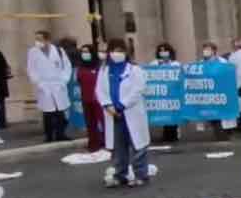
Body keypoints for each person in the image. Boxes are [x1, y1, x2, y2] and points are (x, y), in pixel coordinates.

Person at [97, 39, 150, 188]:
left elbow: (138, 90)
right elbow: (100, 90)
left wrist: (121, 105)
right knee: (118, 146)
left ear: (126, 53)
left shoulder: (134, 70)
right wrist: (108, 105)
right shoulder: (104, 70)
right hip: (113, 114)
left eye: (120, 51)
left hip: (130, 112)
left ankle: (141, 175)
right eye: (114, 50)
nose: (116, 54)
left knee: (138, 145)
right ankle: (120, 175)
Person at [27, 30, 72, 142]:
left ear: (47, 40)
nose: (37, 41)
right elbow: (31, 69)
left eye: (40, 39)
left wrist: (64, 81)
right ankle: (49, 136)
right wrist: (38, 83)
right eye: (36, 39)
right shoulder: (33, 52)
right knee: (47, 113)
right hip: (44, 85)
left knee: (60, 111)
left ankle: (61, 134)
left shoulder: (58, 51)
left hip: (58, 84)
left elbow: (67, 66)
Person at [76, 43, 105, 151]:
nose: (85, 54)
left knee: (103, 122)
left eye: (87, 52)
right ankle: (93, 144)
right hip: (86, 99)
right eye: (83, 52)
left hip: (99, 99)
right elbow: (79, 80)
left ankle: (107, 142)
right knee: (90, 123)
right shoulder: (81, 67)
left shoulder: (99, 66)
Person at [152, 42, 181, 143]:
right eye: (161, 51)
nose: (163, 53)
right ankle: (166, 134)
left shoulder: (175, 64)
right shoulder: (155, 63)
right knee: (164, 114)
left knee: (173, 114)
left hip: (172, 93)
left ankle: (174, 134)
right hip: (161, 93)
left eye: (165, 50)